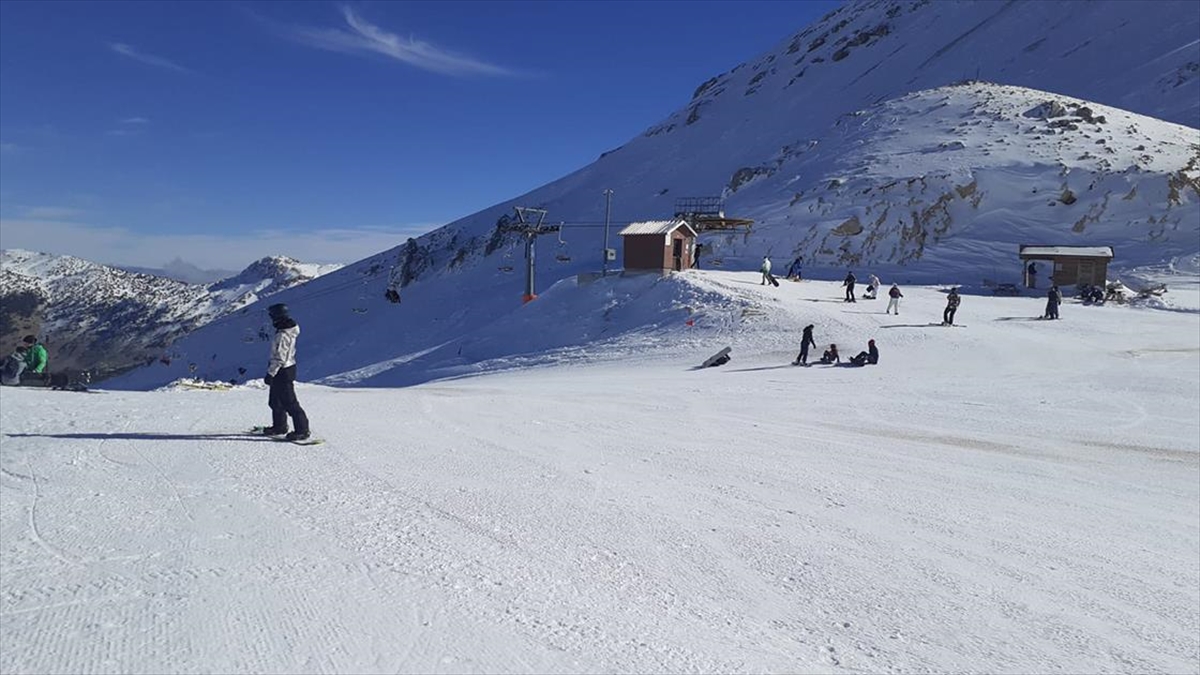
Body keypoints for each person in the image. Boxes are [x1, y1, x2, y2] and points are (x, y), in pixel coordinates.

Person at [261, 303, 311, 441]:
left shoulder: (283, 335)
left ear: (277, 316)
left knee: (289, 402)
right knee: (275, 401)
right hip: (284, 368)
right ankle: (280, 426)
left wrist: (271, 373)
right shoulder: (285, 329)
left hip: (282, 370)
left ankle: (302, 430)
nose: (271, 318)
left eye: (272, 315)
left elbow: (280, 357)